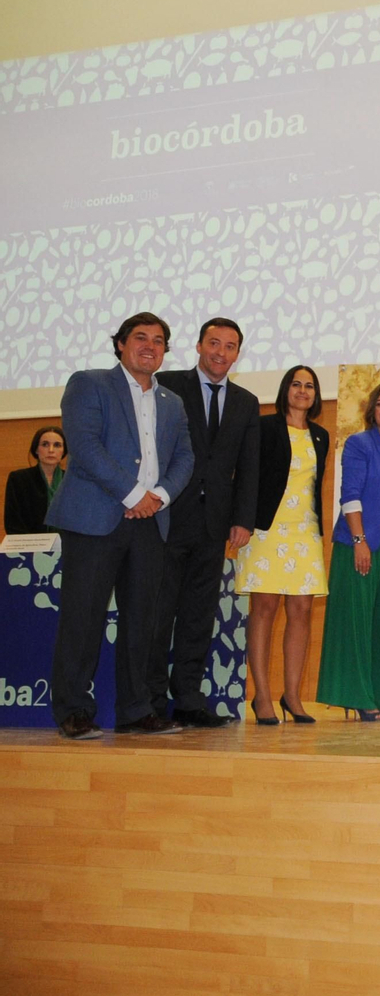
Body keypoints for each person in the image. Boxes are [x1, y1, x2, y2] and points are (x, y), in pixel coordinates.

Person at [46, 312, 193, 740]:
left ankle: (136, 710)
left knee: (142, 622)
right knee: (83, 618)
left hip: (151, 522)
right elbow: (86, 447)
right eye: (141, 337)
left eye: (159, 340)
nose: (150, 345)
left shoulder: (173, 402)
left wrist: (159, 497)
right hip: (96, 519)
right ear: (121, 344)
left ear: (166, 351)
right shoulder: (90, 383)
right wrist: (133, 495)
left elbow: (184, 458)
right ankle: (73, 711)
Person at [150, 317, 260, 728]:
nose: (221, 352)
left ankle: (189, 700)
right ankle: (151, 700)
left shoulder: (246, 402)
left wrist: (243, 519)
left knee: (199, 614)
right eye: (214, 343)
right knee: (160, 613)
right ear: (198, 346)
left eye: (230, 346)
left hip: (215, 524)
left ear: (237, 353)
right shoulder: (167, 384)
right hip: (167, 516)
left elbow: (248, 467)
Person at [317, 381, 380, 720]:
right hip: (361, 541)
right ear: (372, 410)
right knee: (356, 621)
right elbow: (350, 494)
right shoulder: (359, 444)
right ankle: (358, 696)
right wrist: (359, 541)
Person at [238, 366, 330, 725]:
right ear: (285, 390)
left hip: (305, 532)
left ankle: (292, 695)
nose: (303, 391)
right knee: (263, 609)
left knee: (301, 613)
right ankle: (261, 695)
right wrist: (241, 522)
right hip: (266, 530)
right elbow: (246, 477)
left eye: (309, 386)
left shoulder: (320, 435)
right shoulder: (263, 427)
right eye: (296, 384)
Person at [5, 426, 67, 535]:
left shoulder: (71, 480)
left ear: (63, 451)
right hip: (29, 546)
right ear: (36, 449)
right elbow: (13, 522)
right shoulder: (19, 479)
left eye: (57, 445)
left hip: (68, 546)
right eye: (45, 444)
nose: (51, 450)